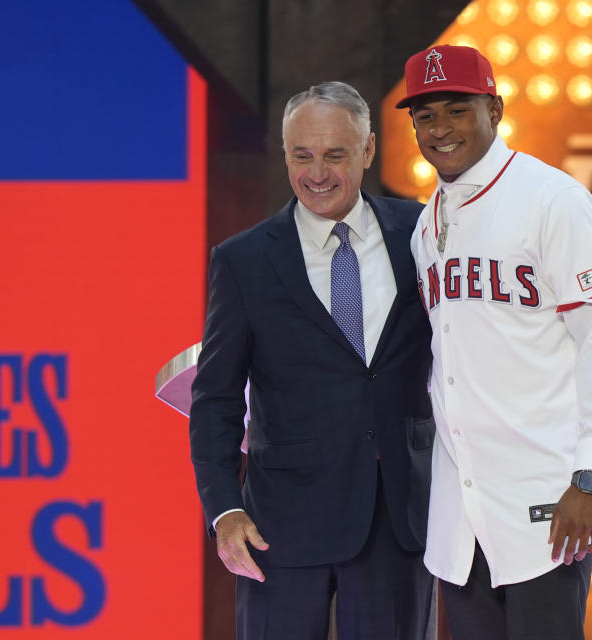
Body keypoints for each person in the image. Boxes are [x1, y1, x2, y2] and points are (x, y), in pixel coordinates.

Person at [396, 45, 592, 640]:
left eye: (457, 109)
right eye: (425, 116)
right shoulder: (428, 225)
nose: (440, 129)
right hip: (461, 510)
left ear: (494, 109)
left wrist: (590, 478)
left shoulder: (552, 200)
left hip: (547, 501)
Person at [189, 81, 434, 640]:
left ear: (369, 151)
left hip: (398, 517)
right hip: (280, 525)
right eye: (302, 155)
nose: (316, 173)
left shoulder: (425, 233)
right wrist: (224, 510)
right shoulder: (242, 261)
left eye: (334, 155)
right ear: (284, 154)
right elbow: (216, 399)